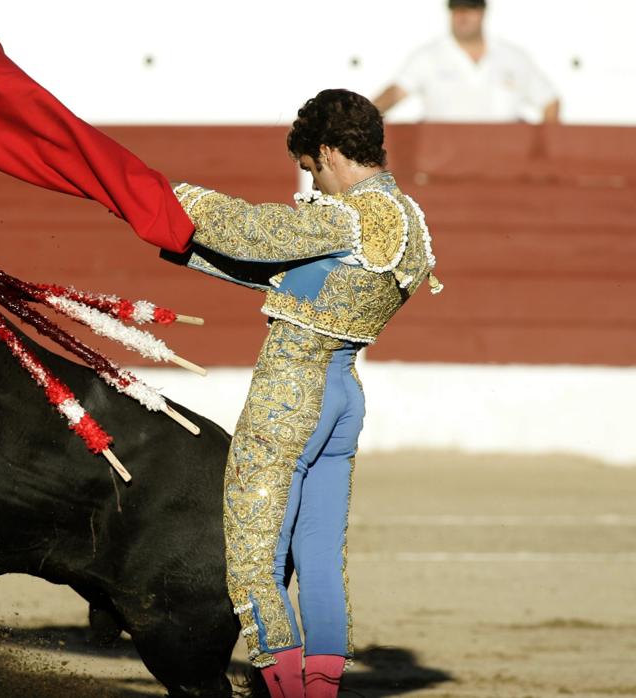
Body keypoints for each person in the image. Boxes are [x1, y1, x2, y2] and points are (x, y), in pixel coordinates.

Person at [166, 89, 440, 698]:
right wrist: (179, 248)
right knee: (318, 559)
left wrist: (167, 199)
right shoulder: (409, 225)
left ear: (327, 153)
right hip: (343, 396)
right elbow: (286, 274)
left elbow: (249, 232)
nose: (314, 186)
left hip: (293, 394)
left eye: (313, 171)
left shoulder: (349, 217)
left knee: (253, 561)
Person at [372, 0, 560, 123]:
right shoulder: (429, 56)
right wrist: (362, 119)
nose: (462, 16)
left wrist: (541, 150)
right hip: (443, 166)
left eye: (469, 8)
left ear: (482, 12)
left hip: (505, 169)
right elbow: (396, 93)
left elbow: (550, 101)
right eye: (456, 9)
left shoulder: (513, 57)